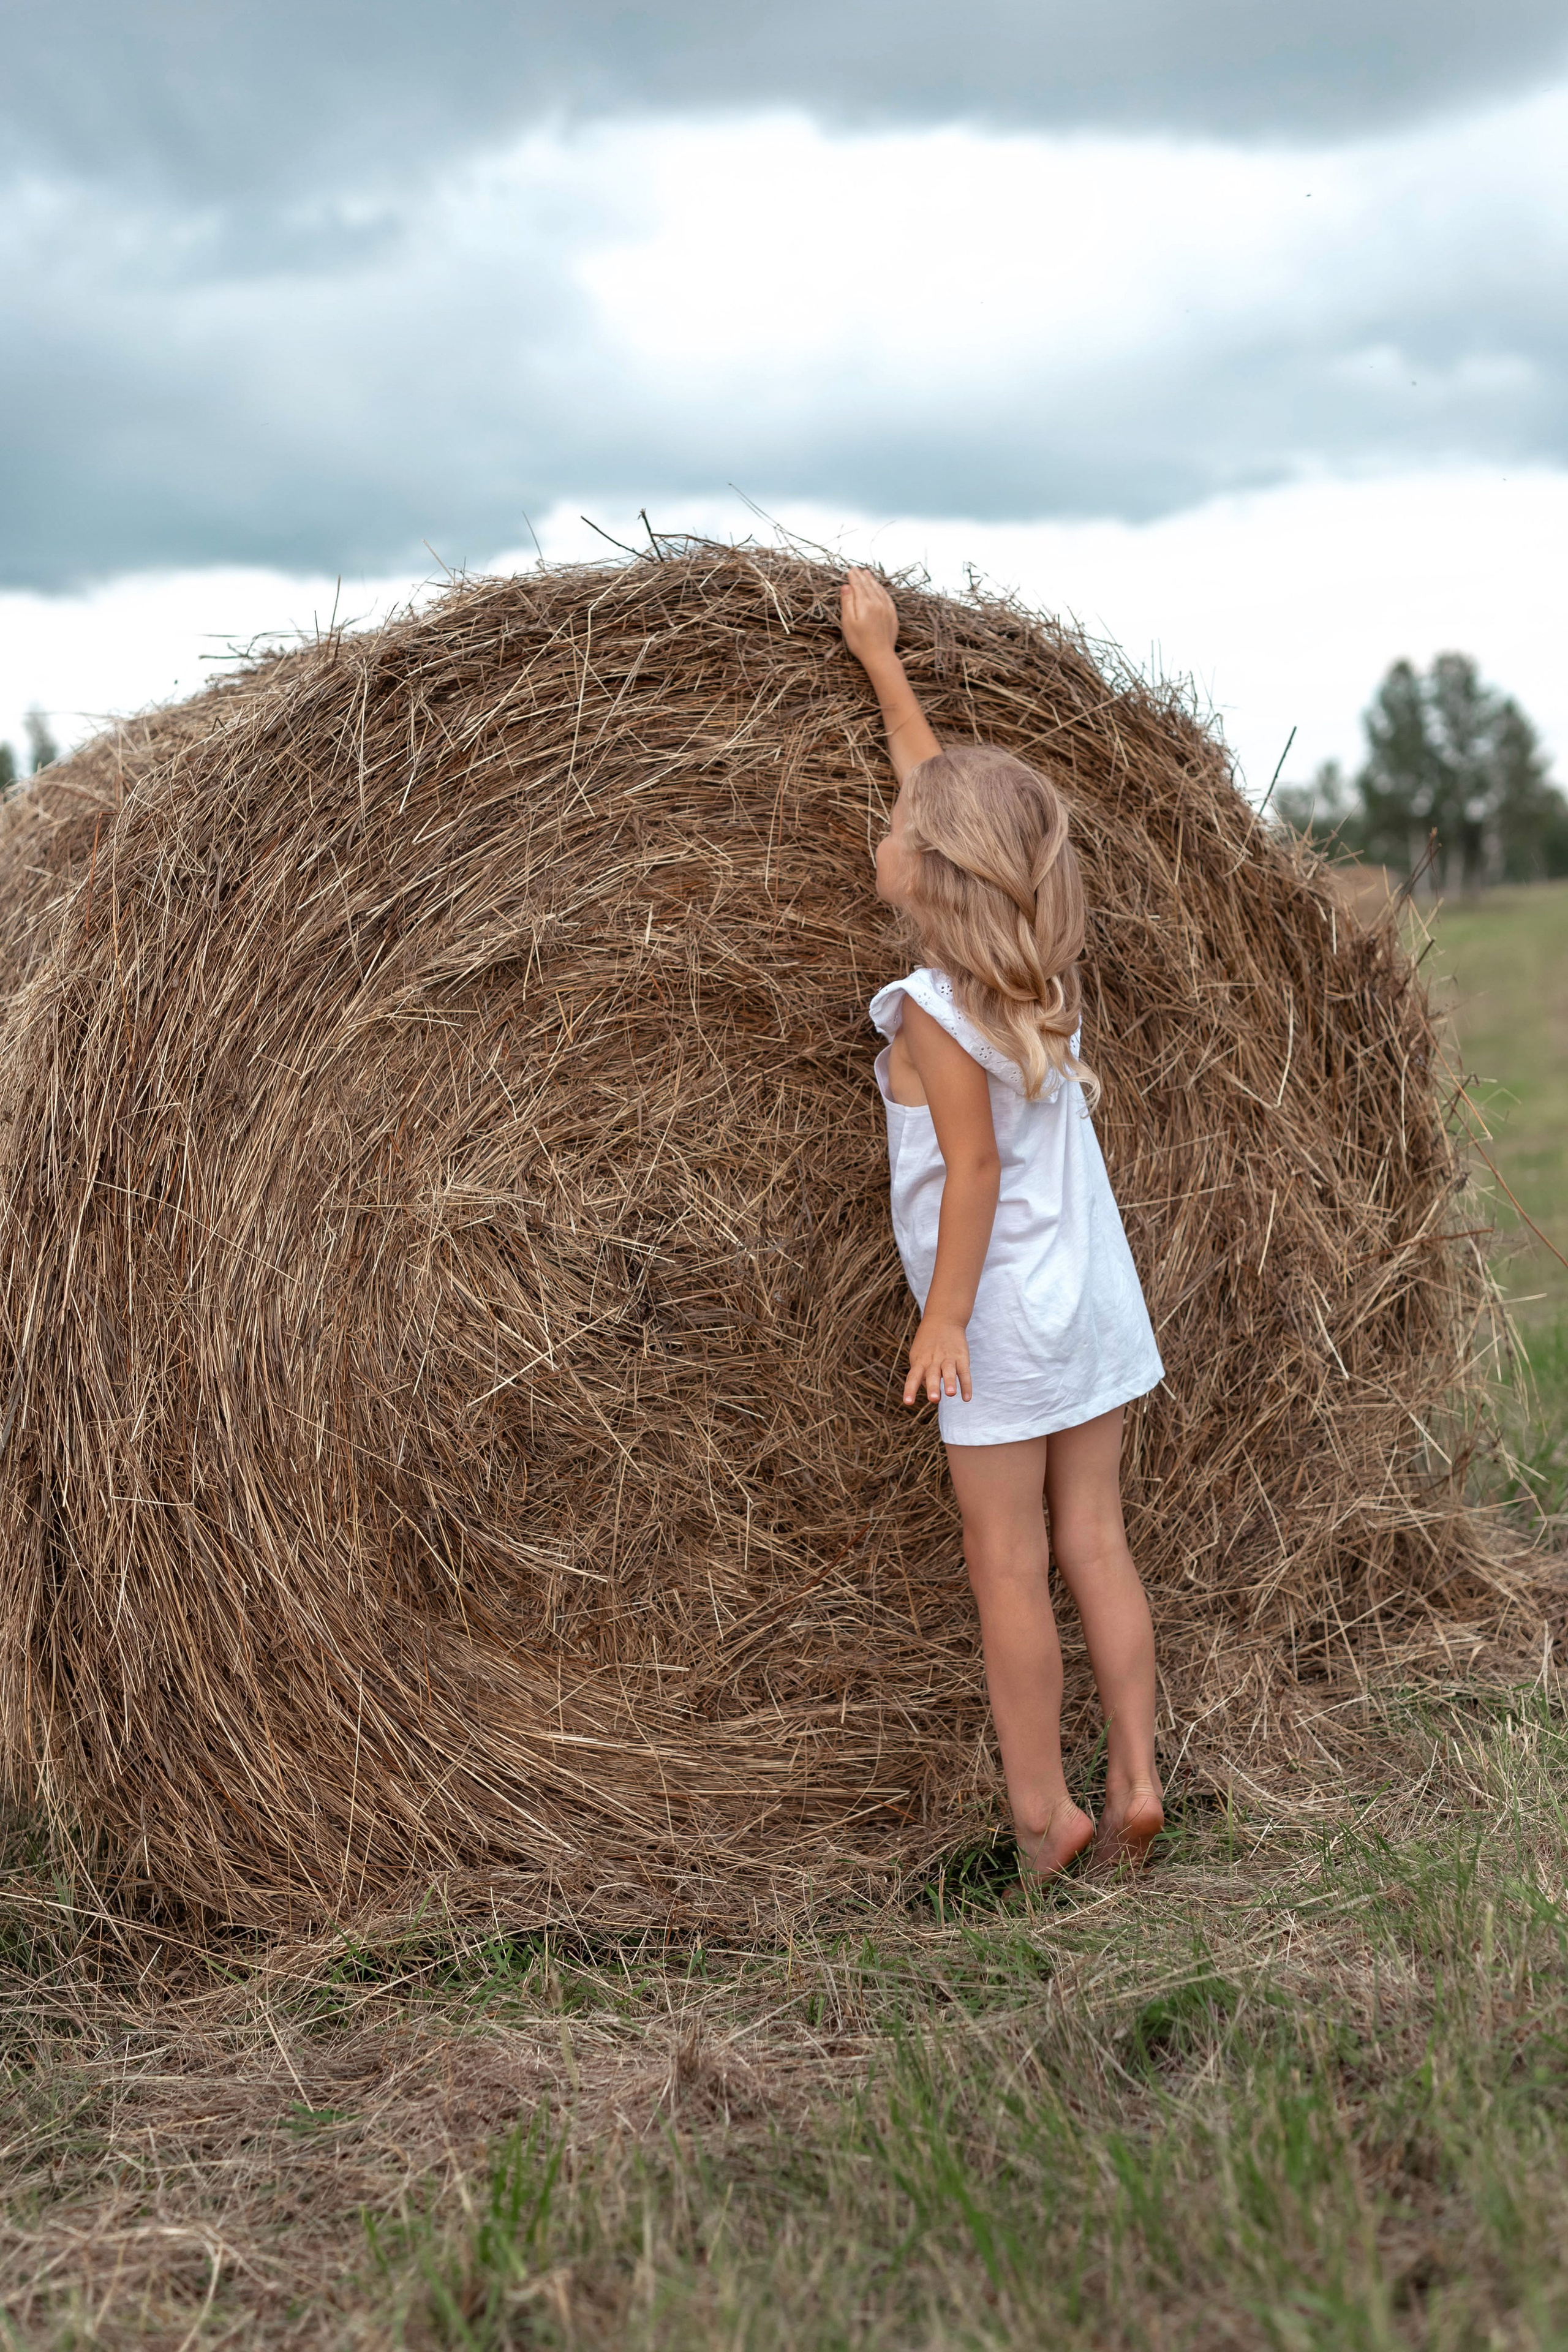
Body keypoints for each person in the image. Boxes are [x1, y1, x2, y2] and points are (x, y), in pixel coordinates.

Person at [840, 567, 1166, 1876]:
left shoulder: (930, 1008)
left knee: (1008, 1565)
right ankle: (1136, 1776)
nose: (883, 830)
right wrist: (884, 664)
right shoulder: (1033, 974)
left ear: (929, 872)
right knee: (1098, 1541)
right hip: (1091, 1297)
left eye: (895, 827)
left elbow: (968, 1172)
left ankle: (1045, 1816)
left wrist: (944, 1320)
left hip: (1003, 1325)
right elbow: (949, 799)